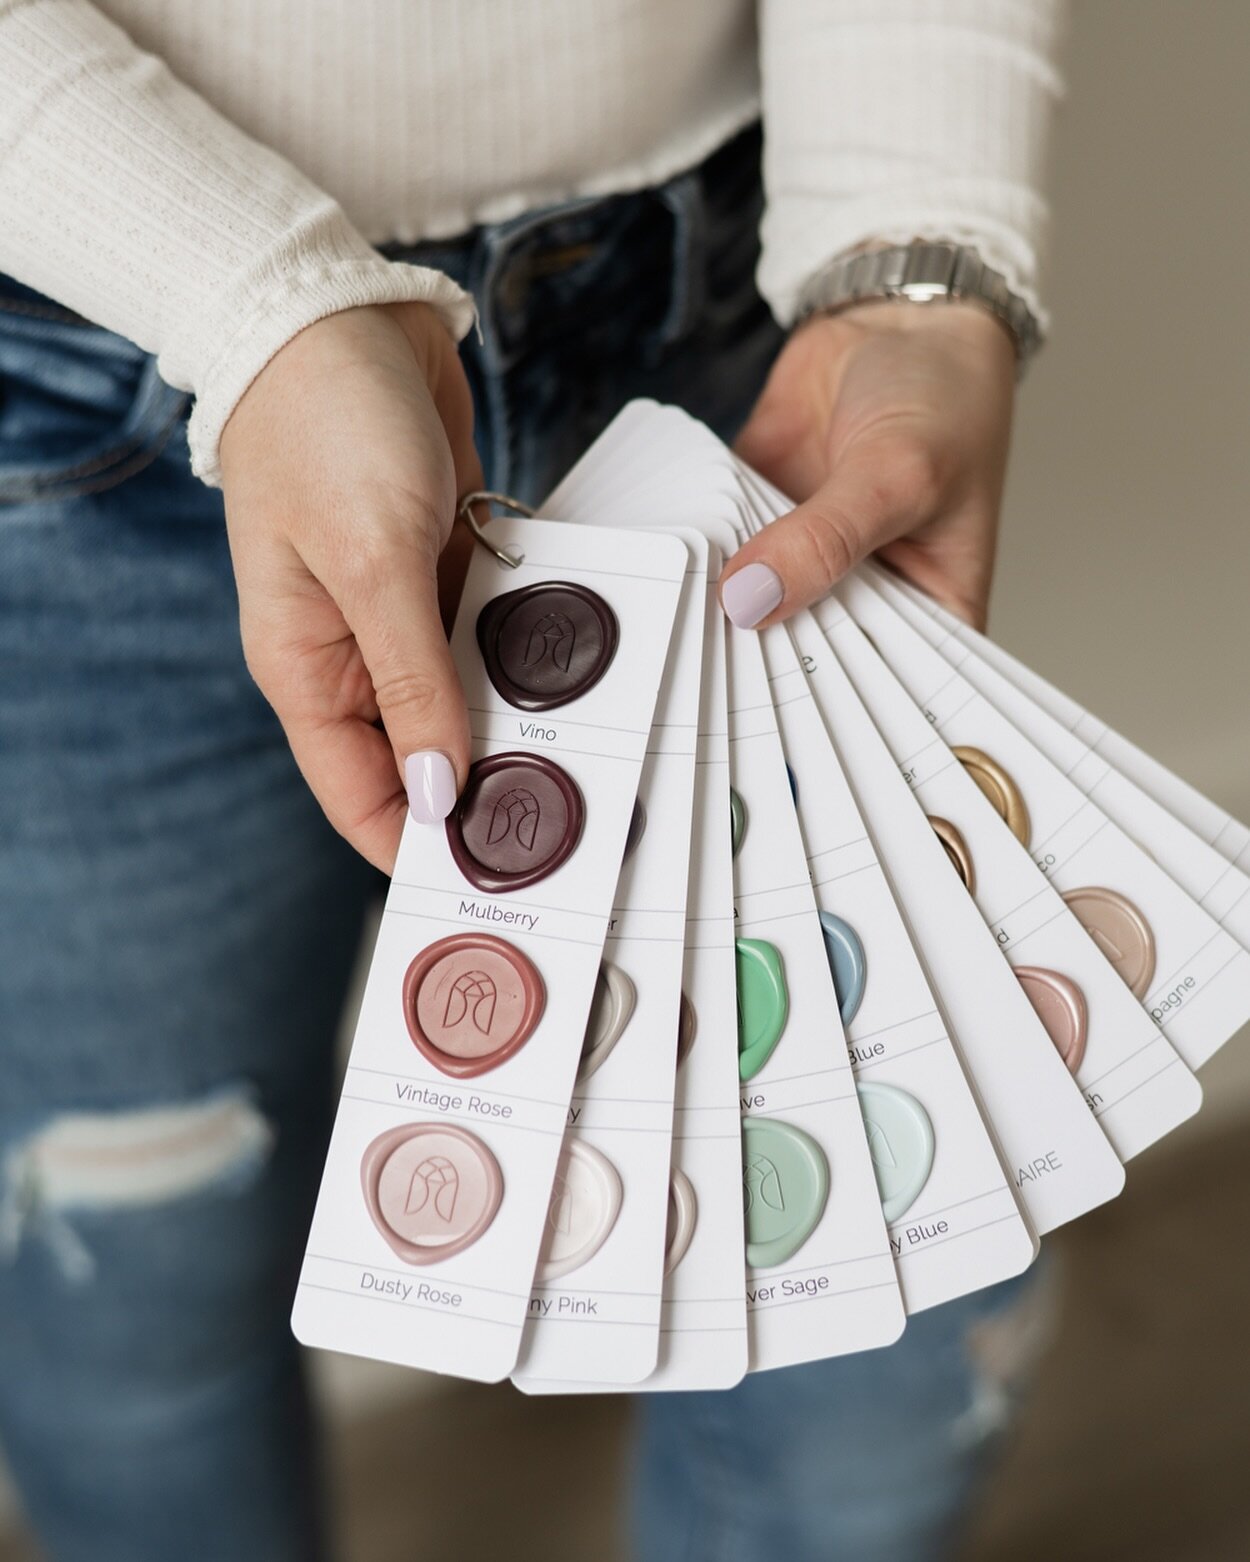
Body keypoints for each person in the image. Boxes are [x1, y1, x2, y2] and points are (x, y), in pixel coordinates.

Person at [0, 2, 1065, 1558]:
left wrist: (922, 239)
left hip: (736, 323)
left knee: (880, 1311)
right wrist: (251, 299)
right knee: (144, 1296)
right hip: (78, 366)